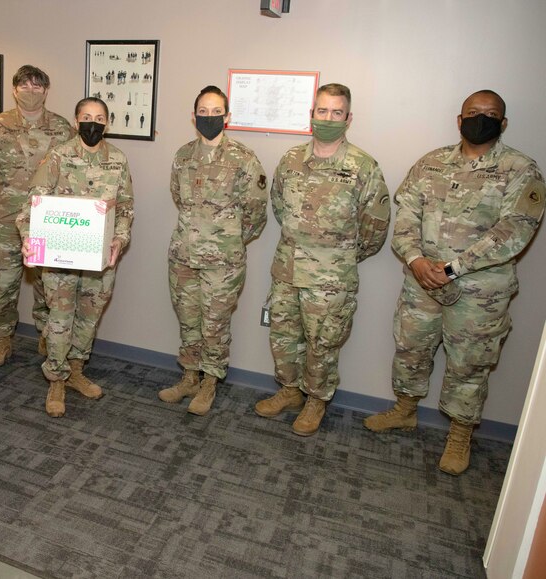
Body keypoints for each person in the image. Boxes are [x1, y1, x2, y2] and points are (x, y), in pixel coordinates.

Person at [364, 90, 545, 475]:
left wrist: (452, 268)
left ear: (503, 123)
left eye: (491, 114)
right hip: (420, 283)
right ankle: (405, 410)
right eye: (473, 112)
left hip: (479, 293)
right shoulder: (430, 163)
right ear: (459, 120)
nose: (481, 119)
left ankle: (460, 435)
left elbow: (514, 232)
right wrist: (415, 259)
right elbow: (406, 216)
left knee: (470, 363)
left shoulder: (521, 170)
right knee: (410, 348)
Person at [255, 83, 391, 436]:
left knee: (323, 344)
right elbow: (279, 206)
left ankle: (316, 400)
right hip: (287, 269)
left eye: (336, 112)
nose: (328, 118)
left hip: (331, 278)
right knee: (282, 337)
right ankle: (289, 391)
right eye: (322, 111)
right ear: (311, 114)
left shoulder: (363, 166)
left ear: (348, 118)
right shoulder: (290, 160)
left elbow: (375, 226)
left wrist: (340, 256)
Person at [18, 97, 134, 417]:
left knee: (88, 317)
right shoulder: (58, 156)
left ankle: (76, 370)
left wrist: (120, 239)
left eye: (99, 118)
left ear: (107, 124)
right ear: (75, 121)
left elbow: (126, 207)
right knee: (60, 318)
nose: (92, 123)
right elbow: (34, 202)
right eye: (86, 117)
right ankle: (57, 378)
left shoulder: (118, 160)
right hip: (61, 256)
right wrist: (28, 239)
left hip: (99, 259)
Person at [158, 86, 267, 416]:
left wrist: (228, 241)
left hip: (223, 262)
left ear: (227, 116)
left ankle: (210, 382)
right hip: (183, 256)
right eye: (203, 112)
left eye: (216, 111)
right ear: (194, 117)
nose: (209, 117)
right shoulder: (183, 156)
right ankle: (190, 376)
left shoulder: (243, 159)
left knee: (215, 325)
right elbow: (179, 197)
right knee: (188, 320)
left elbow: (256, 212)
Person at [0, 65, 74, 367]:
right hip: (7, 222)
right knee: (3, 285)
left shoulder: (62, 129)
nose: (31, 91)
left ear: (46, 90)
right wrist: (8, 192)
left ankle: (45, 334)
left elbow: (71, 170)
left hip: (47, 222)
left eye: (37, 86)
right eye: (24, 85)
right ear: (14, 90)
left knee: (47, 285)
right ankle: (2, 339)